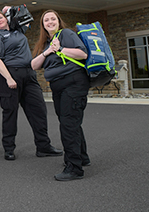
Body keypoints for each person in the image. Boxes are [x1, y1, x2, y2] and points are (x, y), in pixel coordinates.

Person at [0, 7, 62, 161]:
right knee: (10, 113)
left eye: (0, 17)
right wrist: (8, 78)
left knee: (38, 110)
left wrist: (12, 8)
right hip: (10, 75)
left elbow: (26, 14)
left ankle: (43, 146)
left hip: (29, 75)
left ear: (6, 18)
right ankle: (9, 149)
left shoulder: (18, 29)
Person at [31, 10, 90, 181]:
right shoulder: (46, 42)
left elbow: (83, 54)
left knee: (68, 124)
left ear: (58, 21)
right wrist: (48, 51)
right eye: (46, 20)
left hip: (73, 83)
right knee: (71, 122)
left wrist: (61, 49)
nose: (49, 22)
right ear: (42, 25)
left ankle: (74, 168)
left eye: (53, 19)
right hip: (59, 88)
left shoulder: (66, 34)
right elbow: (34, 65)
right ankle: (82, 157)